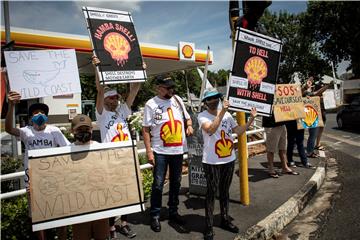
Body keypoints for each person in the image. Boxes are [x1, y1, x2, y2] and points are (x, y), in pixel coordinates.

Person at [5, 90, 70, 240]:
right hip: (33, 180)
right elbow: (8, 129)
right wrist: (11, 106)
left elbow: (67, 149)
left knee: (61, 212)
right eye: (35, 113)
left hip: (54, 178)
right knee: (37, 215)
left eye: (41, 112)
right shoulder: (26, 132)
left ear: (46, 116)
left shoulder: (54, 131)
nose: (39, 114)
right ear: (30, 117)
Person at [197, 90, 256, 240]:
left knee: (225, 191)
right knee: (211, 193)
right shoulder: (202, 116)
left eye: (216, 97)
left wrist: (250, 121)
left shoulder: (228, 115)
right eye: (210, 99)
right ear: (205, 102)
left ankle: (224, 219)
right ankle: (209, 226)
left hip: (229, 159)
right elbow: (211, 129)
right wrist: (223, 111)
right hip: (211, 161)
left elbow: (238, 131)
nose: (214, 100)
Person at [92, 56, 140, 238]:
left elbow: (134, 90)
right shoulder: (101, 114)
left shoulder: (122, 111)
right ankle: (111, 226)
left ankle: (124, 223)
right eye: (111, 98)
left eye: (115, 98)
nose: (114, 101)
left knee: (127, 191)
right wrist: (97, 68)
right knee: (112, 194)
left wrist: (138, 71)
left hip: (126, 156)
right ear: (105, 100)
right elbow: (99, 89)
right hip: (110, 159)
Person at [142, 75, 193, 232]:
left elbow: (187, 118)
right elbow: (145, 129)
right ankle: (155, 214)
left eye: (172, 87)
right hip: (160, 151)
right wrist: (149, 151)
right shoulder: (151, 104)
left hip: (177, 150)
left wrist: (189, 126)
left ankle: (173, 211)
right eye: (168, 88)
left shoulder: (177, 99)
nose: (172, 90)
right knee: (158, 183)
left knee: (176, 182)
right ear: (159, 88)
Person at [70, 114, 110, 240]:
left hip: (100, 204)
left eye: (86, 129)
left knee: (102, 237)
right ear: (72, 131)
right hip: (78, 207)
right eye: (79, 130)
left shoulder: (100, 148)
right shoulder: (66, 151)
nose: (83, 132)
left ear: (91, 130)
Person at [263, 113, 299, 178]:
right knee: (271, 149)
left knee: (283, 147)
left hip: (282, 123)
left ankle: (284, 167)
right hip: (271, 124)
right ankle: (271, 169)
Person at [302, 77, 331, 157]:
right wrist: (326, 87)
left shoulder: (309, 94)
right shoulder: (307, 93)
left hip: (313, 116)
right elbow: (317, 93)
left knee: (313, 135)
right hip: (311, 117)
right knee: (312, 135)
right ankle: (309, 152)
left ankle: (309, 151)